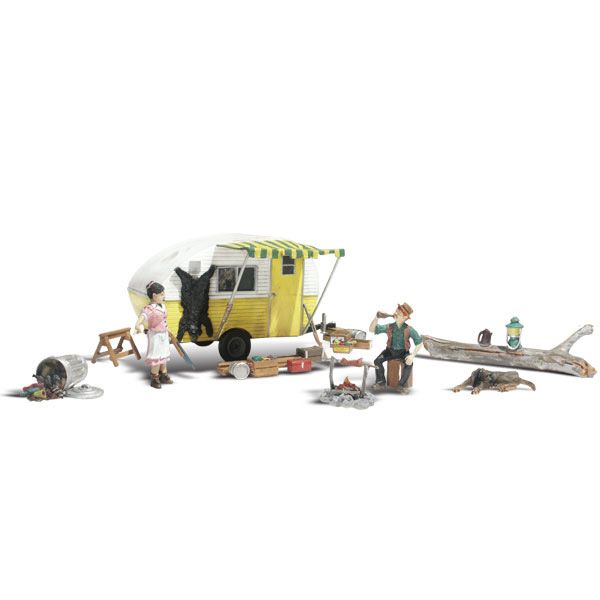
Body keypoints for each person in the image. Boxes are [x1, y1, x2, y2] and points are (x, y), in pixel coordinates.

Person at [369, 302, 423, 393]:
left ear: (405, 317)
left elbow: (419, 343)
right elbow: (371, 329)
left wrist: (412, 355)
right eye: (396, 311)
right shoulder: (389, 327)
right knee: (377, 361)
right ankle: (381, 381)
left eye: (399, 313)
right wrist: (376, 318)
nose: (395, 313)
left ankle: (401, 385)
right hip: (389, 351)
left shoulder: (409, 329)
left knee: (409, 364)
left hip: (403, 352)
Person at [134, 281, 173, 389]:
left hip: (164, 334)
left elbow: (164, 320)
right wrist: (137, 325)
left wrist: (168, 331)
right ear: (154, 295)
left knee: (164, 354)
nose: (164, 296)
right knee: (156, 355)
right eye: (162, 294)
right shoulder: (149, 309)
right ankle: (155, 377)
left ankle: (164, 374)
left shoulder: (163, 306)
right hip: (155, 335)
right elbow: (142, 317)